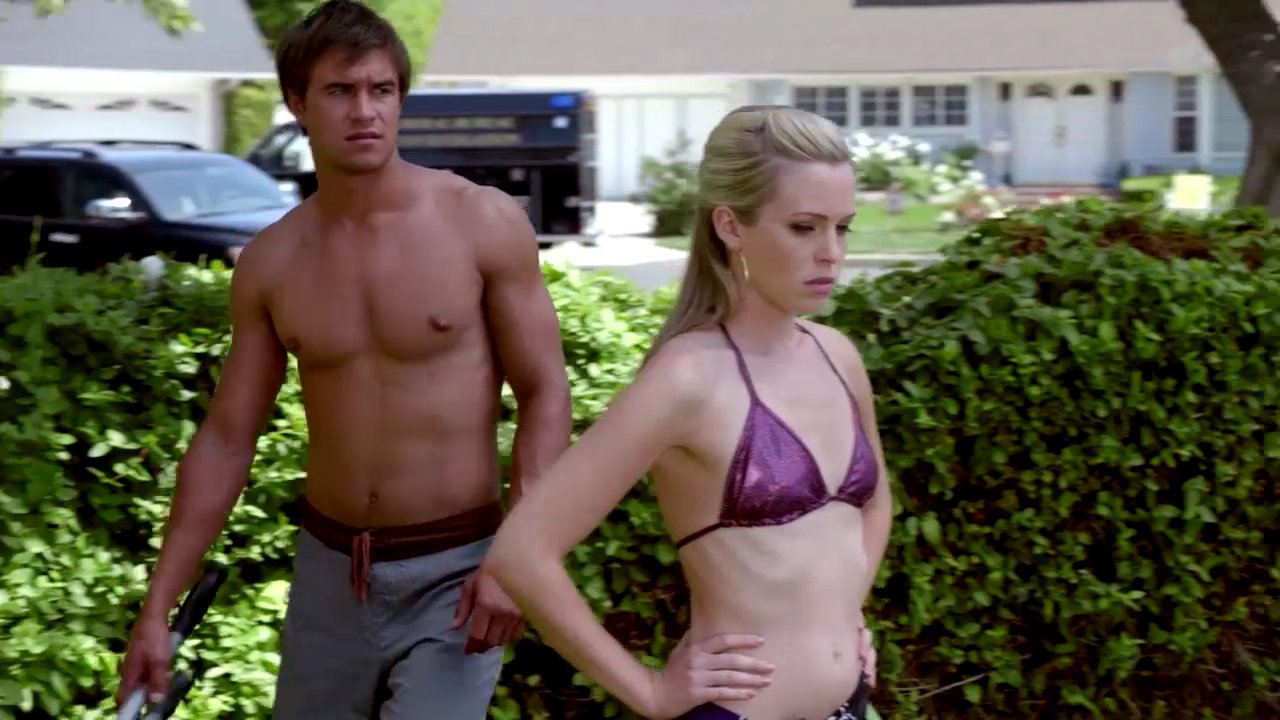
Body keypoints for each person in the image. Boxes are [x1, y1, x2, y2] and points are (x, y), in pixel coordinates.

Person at [115, 2, 573, 718]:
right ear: (297, 103)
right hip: (330, 575)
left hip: (456, 571)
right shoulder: (271, 261)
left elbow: (545, 390)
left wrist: (522, 554)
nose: (365, 111)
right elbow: (228, 438)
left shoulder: (478, 221)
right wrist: (156, 609)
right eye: (339, 90)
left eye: (381, 89)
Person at [481, 105, 893, 720]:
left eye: (843, 227)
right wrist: (648, 691)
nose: (831, 253)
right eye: (804, 228)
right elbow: (521, 552)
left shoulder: (837, 356)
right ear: (730, 225)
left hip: (849, 706)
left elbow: (874, 503)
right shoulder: (687, 378)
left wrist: (844, 614)